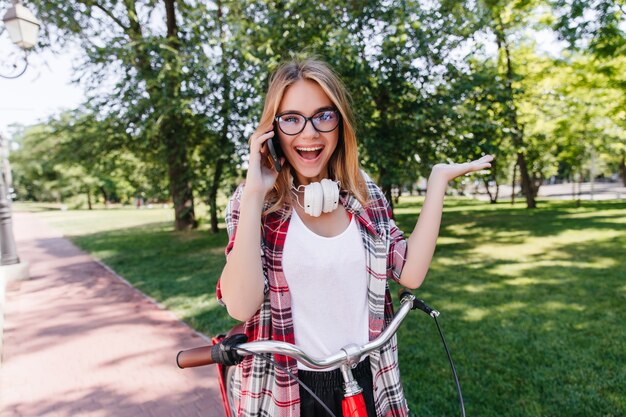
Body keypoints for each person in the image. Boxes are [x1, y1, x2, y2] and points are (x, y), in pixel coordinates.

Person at [216, 58, 493, 417]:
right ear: (272, 131)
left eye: (323, 115)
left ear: (340, 122)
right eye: (291, 118)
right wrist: (255, 193)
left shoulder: (364, 194)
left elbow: (409, 274)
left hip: (368, 379)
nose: (309, 133)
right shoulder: (253, 203)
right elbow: (240, 307)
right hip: (287, 389)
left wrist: (437, 180)